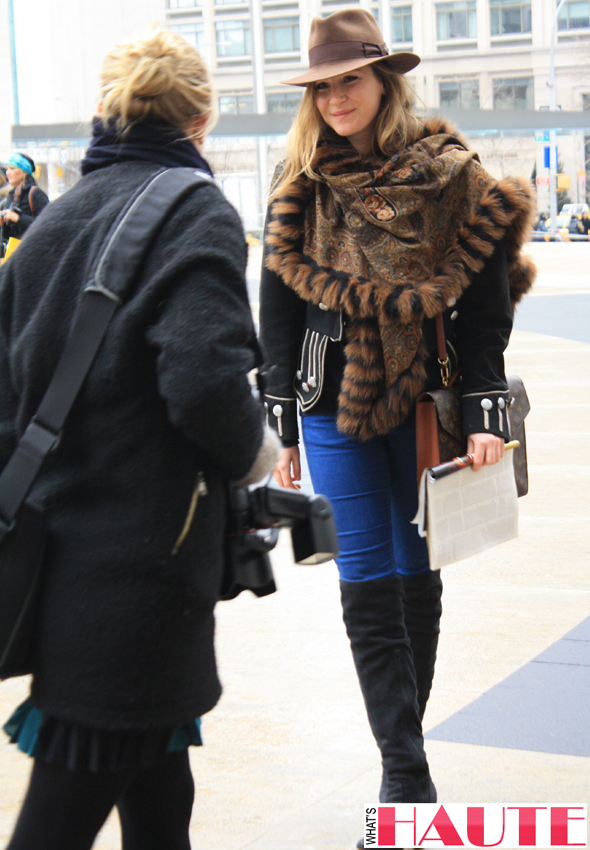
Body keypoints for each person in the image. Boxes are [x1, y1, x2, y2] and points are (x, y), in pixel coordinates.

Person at [259, 9, 536, 848]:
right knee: (367, 567)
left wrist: (487, 408)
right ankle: (405, 773)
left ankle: (400, 748)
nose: (337, 96)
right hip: (329, 399)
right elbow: (275, 300)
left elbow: (486, 304)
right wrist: (281, 420)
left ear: (385, 80)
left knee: (419, 565)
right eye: (324, 85)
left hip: (428, 396)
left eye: (351, 79)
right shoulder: (300, 178)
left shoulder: (454, 176)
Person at [0, 26, 279, 850]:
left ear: (106, 112)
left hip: (58, 561)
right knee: (64, 814)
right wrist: (258, 455)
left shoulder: (57, 220)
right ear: (201, 122)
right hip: (138, 577)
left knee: (162, 797)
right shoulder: (194, 210)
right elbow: (202, 381)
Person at [0, 153, 49, 249]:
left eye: (12, 169)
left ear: (24, 172)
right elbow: (8, 235)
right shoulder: (11, 196)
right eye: (7, 169)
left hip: (33, 252)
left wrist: (18, 218)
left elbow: (47, 224)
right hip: (14, 252)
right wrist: (4, 222)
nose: (8, 172)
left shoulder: (35, 193)